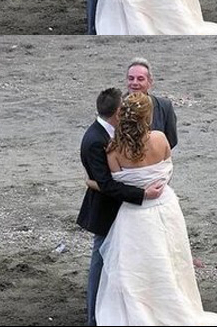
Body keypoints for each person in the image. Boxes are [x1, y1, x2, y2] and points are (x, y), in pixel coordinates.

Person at [91, 93, 217, 326]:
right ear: (147, 116)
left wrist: (92, 182)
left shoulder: (113, 150)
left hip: (132, 214)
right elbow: (167, 170)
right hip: (164, 209)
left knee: (134, 269)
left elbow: (114, 184)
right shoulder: (160, 139)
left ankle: (139, 312)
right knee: (169, 261)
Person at [76, 88, 165, 326]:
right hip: (107, 212)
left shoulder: (114, 137)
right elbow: (107, 184)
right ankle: (93, 316)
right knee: (101, 260)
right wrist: (142, 193)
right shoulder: (95, 140)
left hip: (124, 209)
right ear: (117, 111)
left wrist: (92, 182)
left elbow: (103, 181)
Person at [125, 57, 177, 149]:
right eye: (131, 78)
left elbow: (171, 140)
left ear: (150, 82)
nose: (134, 83)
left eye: (140, 79)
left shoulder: (164, 106)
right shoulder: (116, 106)